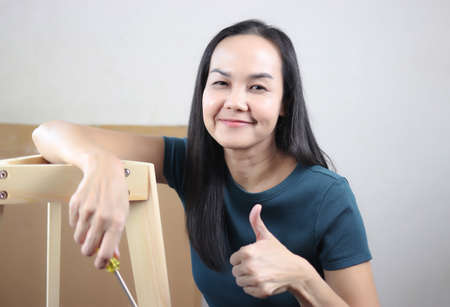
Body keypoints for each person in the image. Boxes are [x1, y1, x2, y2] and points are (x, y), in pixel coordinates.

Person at [32, 19, 380, 306]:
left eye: (257, 88)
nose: (235, 101)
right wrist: (99, 164)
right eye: (221, 83)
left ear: (285, 103)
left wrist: (302, 278)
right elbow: (48, 133)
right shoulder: (191, 163)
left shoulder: (328, 196)